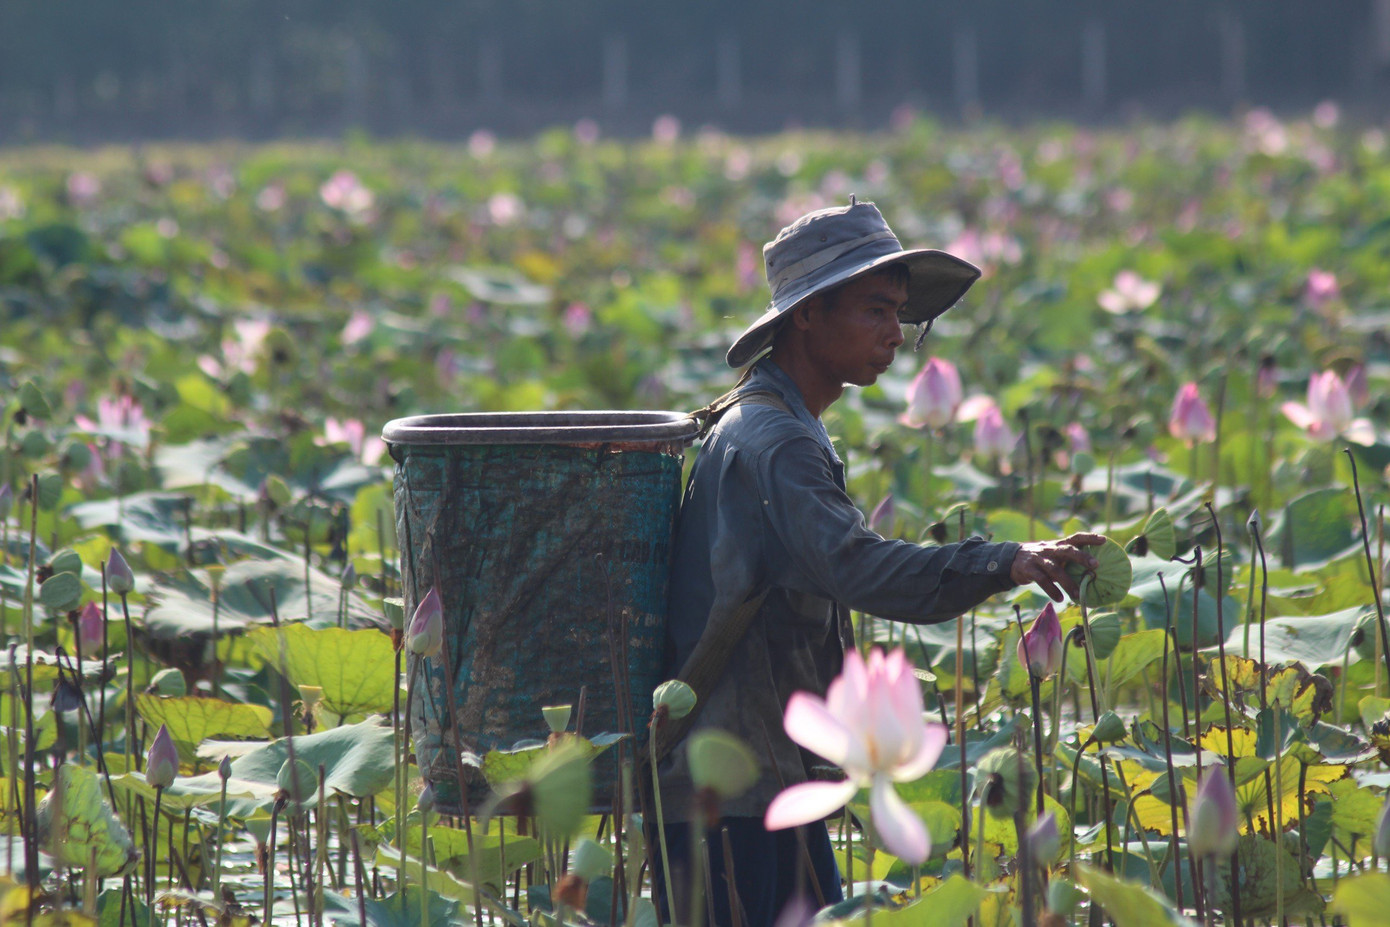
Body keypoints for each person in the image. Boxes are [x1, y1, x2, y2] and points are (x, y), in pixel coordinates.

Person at [654, 198, 1103, 926]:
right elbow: (860, 569)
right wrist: (1006, 561)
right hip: (734, 785)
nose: (897, 334)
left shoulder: (763, 417)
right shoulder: (778, 441)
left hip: (756, 771)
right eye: (874, 310)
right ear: (806, 316)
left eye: (903, 314)